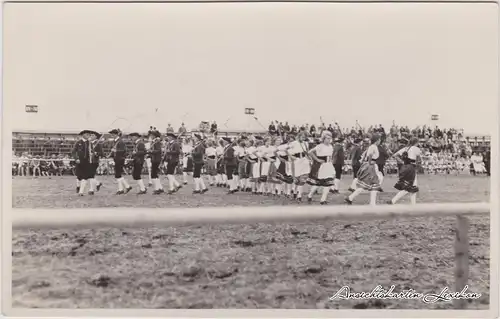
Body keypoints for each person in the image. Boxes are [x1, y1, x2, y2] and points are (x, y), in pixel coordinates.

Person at [345, 134, 383, 206]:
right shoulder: (373, 146)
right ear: (377, 140)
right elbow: (370, 155)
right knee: (372, 184)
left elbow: (363, 156)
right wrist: (370, 162)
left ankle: (351, 198)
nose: (380, 141)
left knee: (367, 184)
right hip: (371, 166)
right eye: (379, 140)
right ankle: (372, 203)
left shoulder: (371, 147)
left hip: (370, 165)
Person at [388, 137, 421, 205]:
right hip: (411, 168)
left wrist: (402, 162)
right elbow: (419, 155)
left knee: (412, 187)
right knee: (409, 187)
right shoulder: (415, 148)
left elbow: (395, 155)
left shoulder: (406, 148)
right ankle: (393, 201)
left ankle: (413, 204)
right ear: (416, 142)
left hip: (405, 167)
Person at [306, 132, 335, 204]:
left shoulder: (331, 146)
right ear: (323, 139)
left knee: (329, 182)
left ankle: (323, 199)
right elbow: (310, 152)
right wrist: (317, 159)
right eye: (327, 138)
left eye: (330, 138)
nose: (329, 140)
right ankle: (309, 195)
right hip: (322, 166)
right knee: (318, 183)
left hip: (329, 165)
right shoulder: (320, 146)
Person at [109, 129, 133, 195]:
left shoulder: (120, 141)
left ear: (116, 134)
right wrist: (110, 155)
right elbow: (114, 151)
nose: (112, 135)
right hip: (116, 159)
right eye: (111, 134)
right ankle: (126, 187)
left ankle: (121, 189)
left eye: (113, 134)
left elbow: (123, 150)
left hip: (120, 159)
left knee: (118, 174)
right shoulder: (115, 141)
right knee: (118, 174)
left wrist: (115, 151)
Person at [287, 132, 310, 200]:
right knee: (297, 178)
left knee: (303, 177)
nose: (303, 138)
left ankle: (299, 195)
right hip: (297, 160)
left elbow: (307, 152)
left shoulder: (306, 143)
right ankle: (294, 192)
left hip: (304, 160)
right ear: (298, 136)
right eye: (302, 137)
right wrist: (291, 156)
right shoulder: (294, 143)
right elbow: (287, 150)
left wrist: (308, 159)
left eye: (304, 137)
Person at [72, 130, 91, 195]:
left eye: (89, 134)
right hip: (79, 161)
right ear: (83, 135)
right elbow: (73, 152)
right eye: (86, 134)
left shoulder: (90, 143)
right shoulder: (78, 142)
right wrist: (76, 158)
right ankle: (78, 186)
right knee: (79, 176)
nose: (88, 135)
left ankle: (81, 191)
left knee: (85, 177)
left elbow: (93, 152)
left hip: (87, 162)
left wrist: (93, 153)